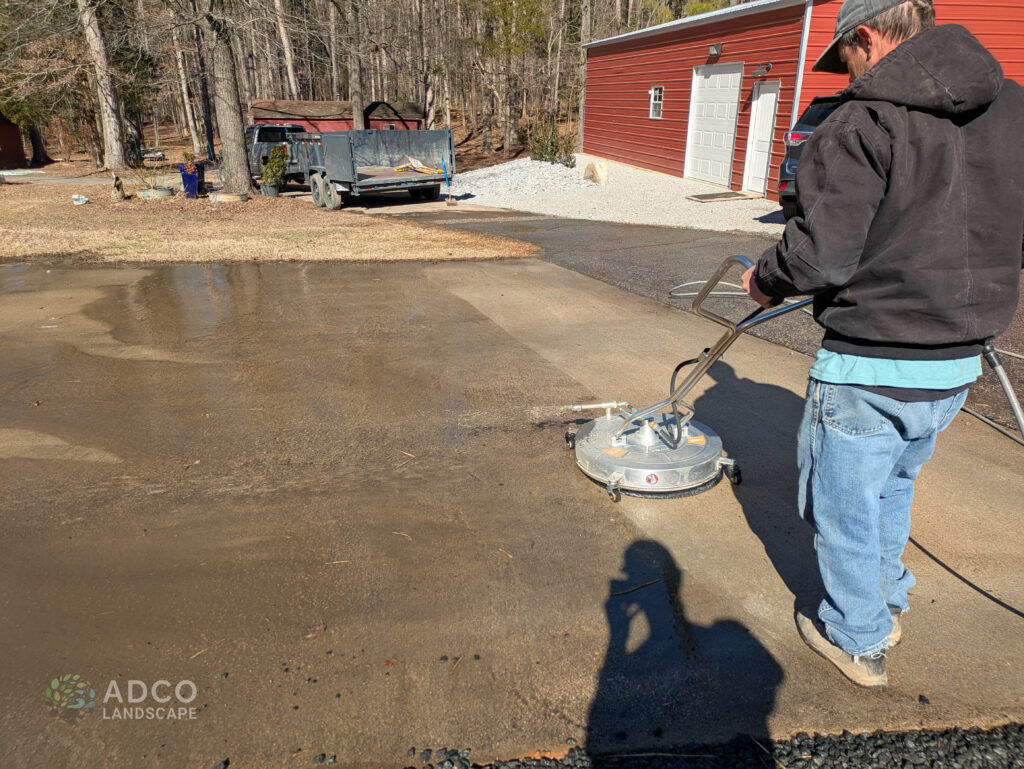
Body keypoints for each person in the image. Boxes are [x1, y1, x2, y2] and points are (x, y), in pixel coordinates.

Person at [741, 0, 1024, 688]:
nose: (850, 75)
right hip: (956, 365)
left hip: (868, 362)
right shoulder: (1013, 108)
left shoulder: (864, 119)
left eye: (847, 59)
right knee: (895, 482)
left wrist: (764, 278)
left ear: (867, 36)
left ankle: (857, 634)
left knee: (841, 506)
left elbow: (821, 254)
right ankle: (888, 593)